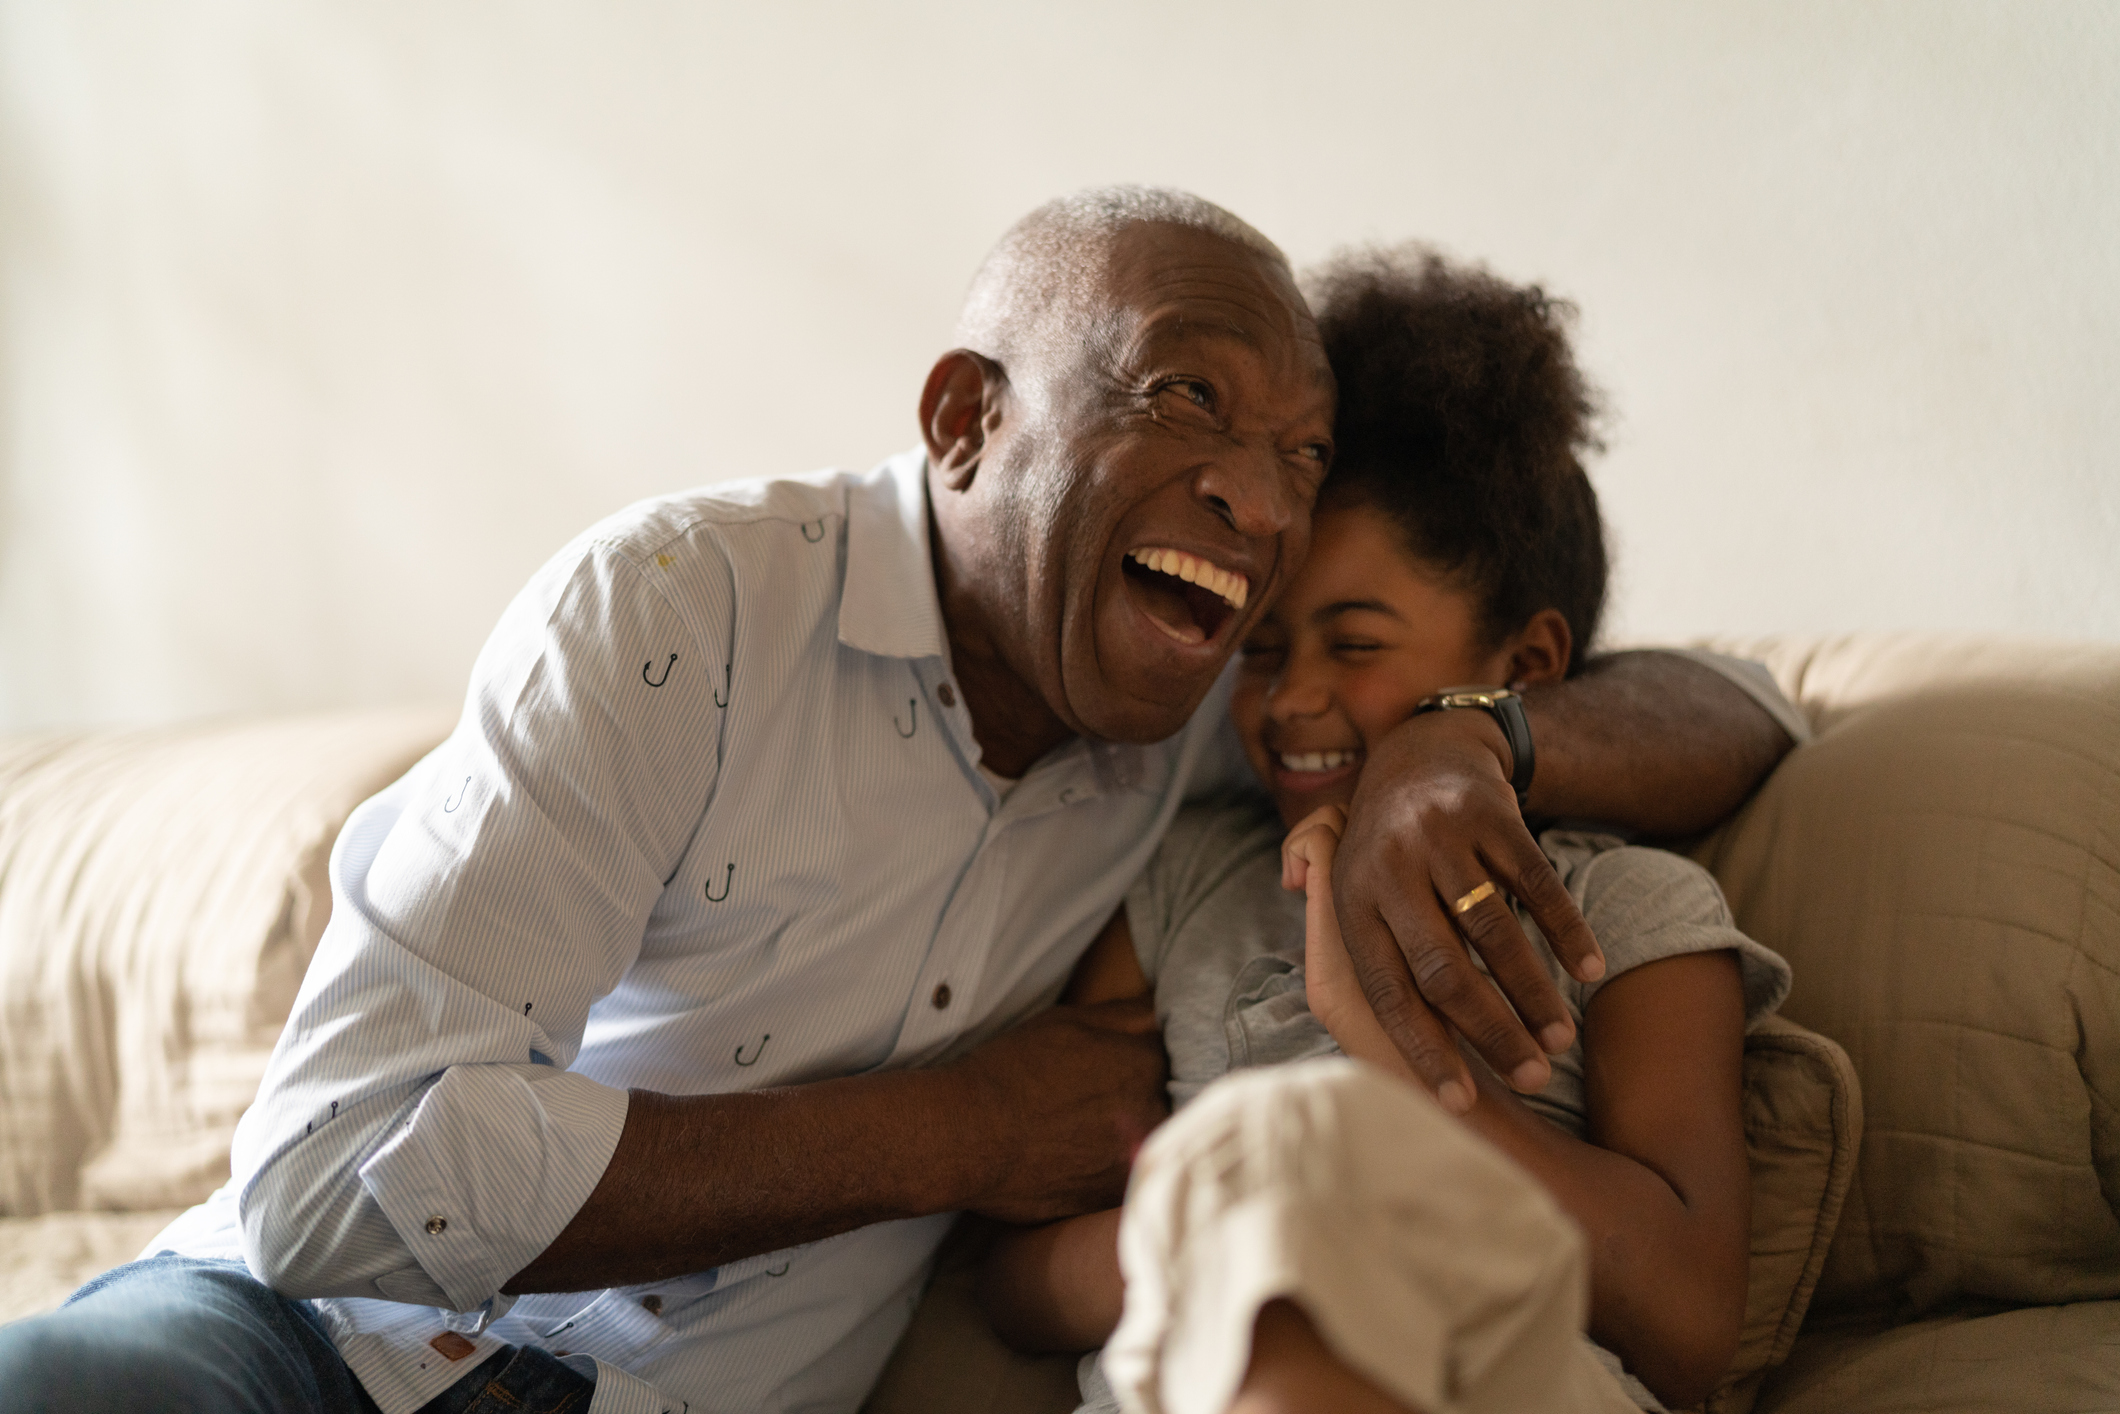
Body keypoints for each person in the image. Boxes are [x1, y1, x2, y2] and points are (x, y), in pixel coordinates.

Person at [0, 193, 1801, 1414]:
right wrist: (949, 1131)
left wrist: (1460, 743)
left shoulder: (1225, 709)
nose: (1254, 502)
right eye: (1189, 397)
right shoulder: (678, 613)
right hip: (300, 1340)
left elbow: (1752, 702)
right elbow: (331, 1168)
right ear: (964, 418)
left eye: (1299, 457)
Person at [980, 247, 1801, 1414]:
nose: (1292, 698)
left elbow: (1684, 1325)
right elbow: (1014, 1278)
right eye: (1261, 647)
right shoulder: (1181, 880)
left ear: (1522, 667)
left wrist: (1390, 1053)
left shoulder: (1622, 906)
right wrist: (1241, 1221)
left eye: (1356, 645)